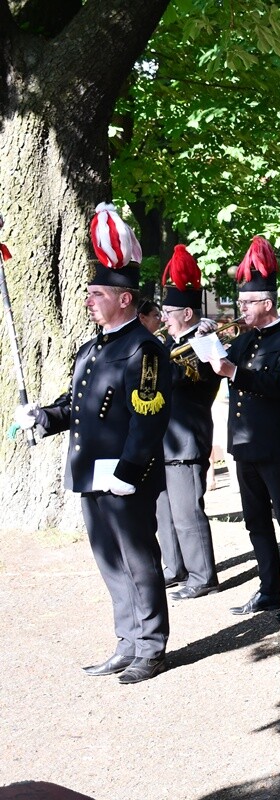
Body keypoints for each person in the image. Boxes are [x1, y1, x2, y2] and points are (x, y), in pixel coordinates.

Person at [14, 204, 171, 683]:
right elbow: (76, 405)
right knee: (108, 560)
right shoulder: (92, 347)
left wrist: (128, 471)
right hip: (91, 472)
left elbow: (149, 416)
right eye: (88, 291)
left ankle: (151, 646)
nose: (88, 299)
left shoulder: (144, 350)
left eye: (97, 292)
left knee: (139, 559)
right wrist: (43, 415)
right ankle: (126, 641)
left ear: (125, 299)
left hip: (125, 476)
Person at [210, 236, 280, 623]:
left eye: (247, 303)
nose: (241, 308)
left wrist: (236, 372)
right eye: (241, 303)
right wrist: (203, 338)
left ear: (267, 303)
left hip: (276, 445)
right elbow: (219, 363)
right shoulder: (246, 340)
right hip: (246, 445)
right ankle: (269, 589)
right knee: (255, 521)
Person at [156, 244, 222, 599]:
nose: (164, 317)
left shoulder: (206, 340)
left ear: (186, 312)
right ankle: (174, 567)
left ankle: (202, 576)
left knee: (186, 512)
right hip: (162, 438)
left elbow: (207, 378)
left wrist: (205, 340)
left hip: (187, 438)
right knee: (164, 511)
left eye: (168, 312)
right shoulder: (164, 343)